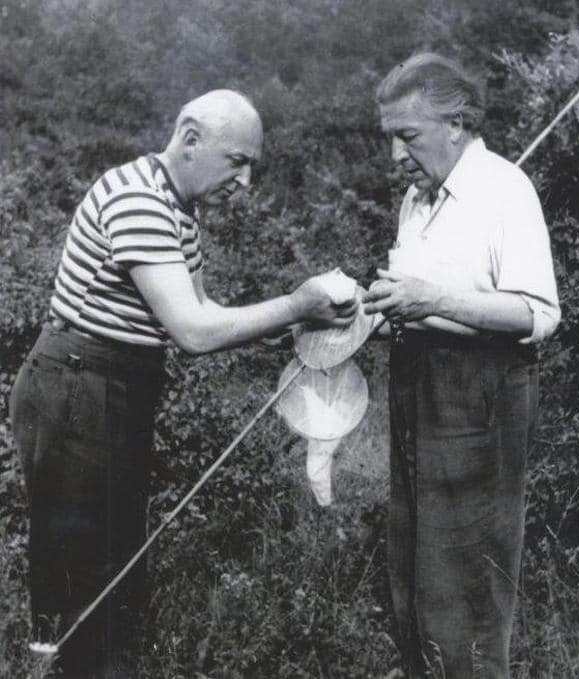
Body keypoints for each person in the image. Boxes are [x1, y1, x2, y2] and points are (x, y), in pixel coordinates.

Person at [9, 89, 357, 678]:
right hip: (76, 384)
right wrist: (296, 304)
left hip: (110, 389)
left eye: (252, 166)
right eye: (238, 161)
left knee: (115, 568)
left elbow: (200, 309)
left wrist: (295, 322)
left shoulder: (180, 210)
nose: (245, 181)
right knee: (82, 575)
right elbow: (195, 332)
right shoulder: (140, 201)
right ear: (190, 138)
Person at [363, 54, 560, 678]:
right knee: (415, 565)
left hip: (481, 394)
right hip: (416, 382)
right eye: (390, 138)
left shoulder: (505, 190)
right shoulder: (417, 202)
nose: (396, 156)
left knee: (468, 576)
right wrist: (368, 311)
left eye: (407, 137)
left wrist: (433, 300)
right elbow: (416, 303)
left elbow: (538, 313)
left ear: (457, 123)